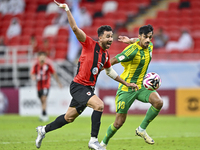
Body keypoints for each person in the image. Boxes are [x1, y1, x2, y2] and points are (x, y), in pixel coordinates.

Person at [35, 1, 138, 150]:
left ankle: (43, 130)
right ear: (100, 38)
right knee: (99, 105)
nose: (111, 39)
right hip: (79, 86)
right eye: (108, 36)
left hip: (88, 88)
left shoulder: (106, 55)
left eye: (111, 36)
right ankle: (93, 141)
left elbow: (110, 72)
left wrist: (126, 83)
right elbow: (75, 28)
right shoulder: (89, 43)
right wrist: (68, 10)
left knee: (68, 118)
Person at [100, 25, 163, 149]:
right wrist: (96, 71)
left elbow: (139, 41)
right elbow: (113, 60)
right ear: (140, 36)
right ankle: (103, 144)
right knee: (118, 123)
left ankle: (141, 129)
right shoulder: (131, 51)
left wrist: (130, 39)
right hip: (126, 87)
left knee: (158, 102)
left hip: (141, 86)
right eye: (145, 37)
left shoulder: (149, 46)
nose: (148, 40)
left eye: (150, 37)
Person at [31, 51, 62, 122]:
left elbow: (54, 73)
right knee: (41, 100)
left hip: (46, 85)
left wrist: (59, 83)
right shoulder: (36, 66)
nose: (42, 58)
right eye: (41, 56)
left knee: (44, 98)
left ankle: (44, 114)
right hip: (39, 86)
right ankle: (43, 113)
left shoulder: (48, 65)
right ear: (38, 58)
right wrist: (33, 77)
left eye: (43, 57)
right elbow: (32, 73)